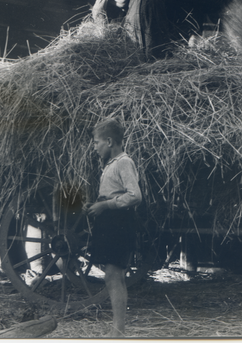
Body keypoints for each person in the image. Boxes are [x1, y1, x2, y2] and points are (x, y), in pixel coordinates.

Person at [86, 119, 142, 337]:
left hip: (119, 222)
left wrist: (106, 204)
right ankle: (118, 329)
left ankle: (118, 331)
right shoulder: (112, 164)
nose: (94, 146)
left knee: (113, 275)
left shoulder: (123, 162)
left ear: (109, 141)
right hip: (112, 221)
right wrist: (97, 205)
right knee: (114, 275)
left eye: (97, 142)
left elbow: (135, 195)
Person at [91, 0, 170, 59]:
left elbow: (98, 9)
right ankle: (155, 57)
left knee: (134, 30)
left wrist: (100, 31)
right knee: (149, 28)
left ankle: (142, 59)